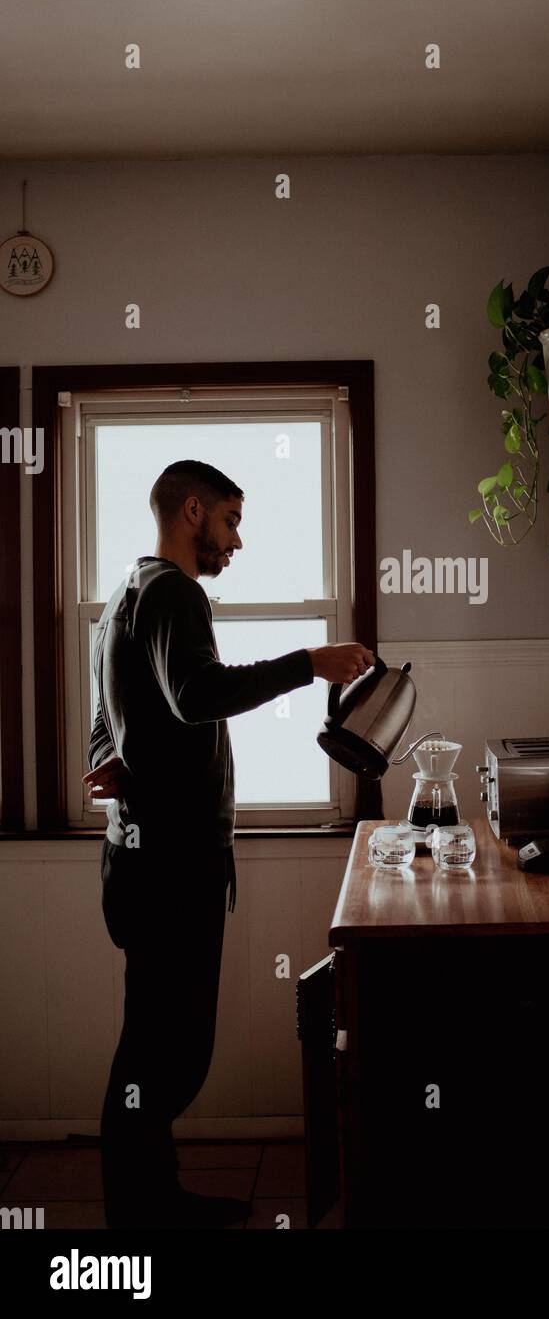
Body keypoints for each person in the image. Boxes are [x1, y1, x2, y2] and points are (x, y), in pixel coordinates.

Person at [84, 459, 374, 1229]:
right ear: (191, 512)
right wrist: (308, 664)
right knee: (168, 1054)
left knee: (152, 1040)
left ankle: (154, 1200)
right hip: (174, 866)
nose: (235, 541)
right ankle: (138, 1216)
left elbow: (102, 718)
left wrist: (101, 762)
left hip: (134, 859)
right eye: (229, 521)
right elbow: (198, 694)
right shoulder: (176, 593)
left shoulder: (124, 594)